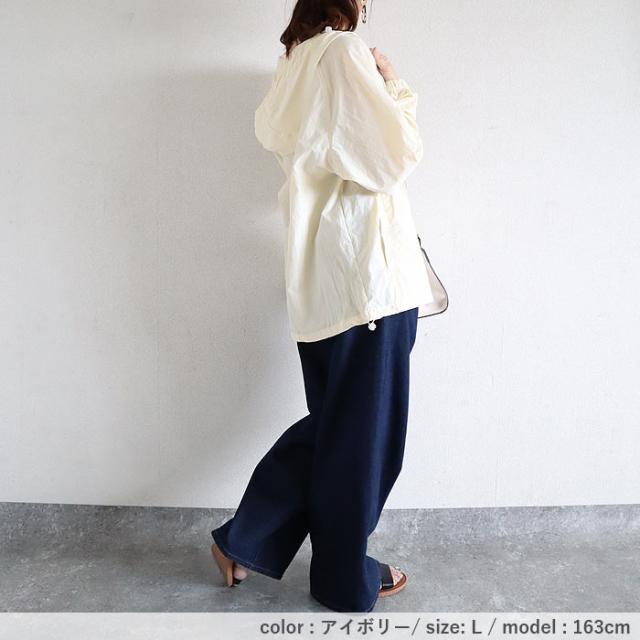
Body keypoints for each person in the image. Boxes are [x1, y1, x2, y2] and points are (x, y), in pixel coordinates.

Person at [211, 0, 439, 613]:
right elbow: (392, 158)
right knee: (365, 440)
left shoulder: (293, 64)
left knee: (342, 428)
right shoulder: (342, 54)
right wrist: (395, 87)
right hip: (368, 281)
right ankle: (340, 577)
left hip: (322, 283)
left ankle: (248, 540)